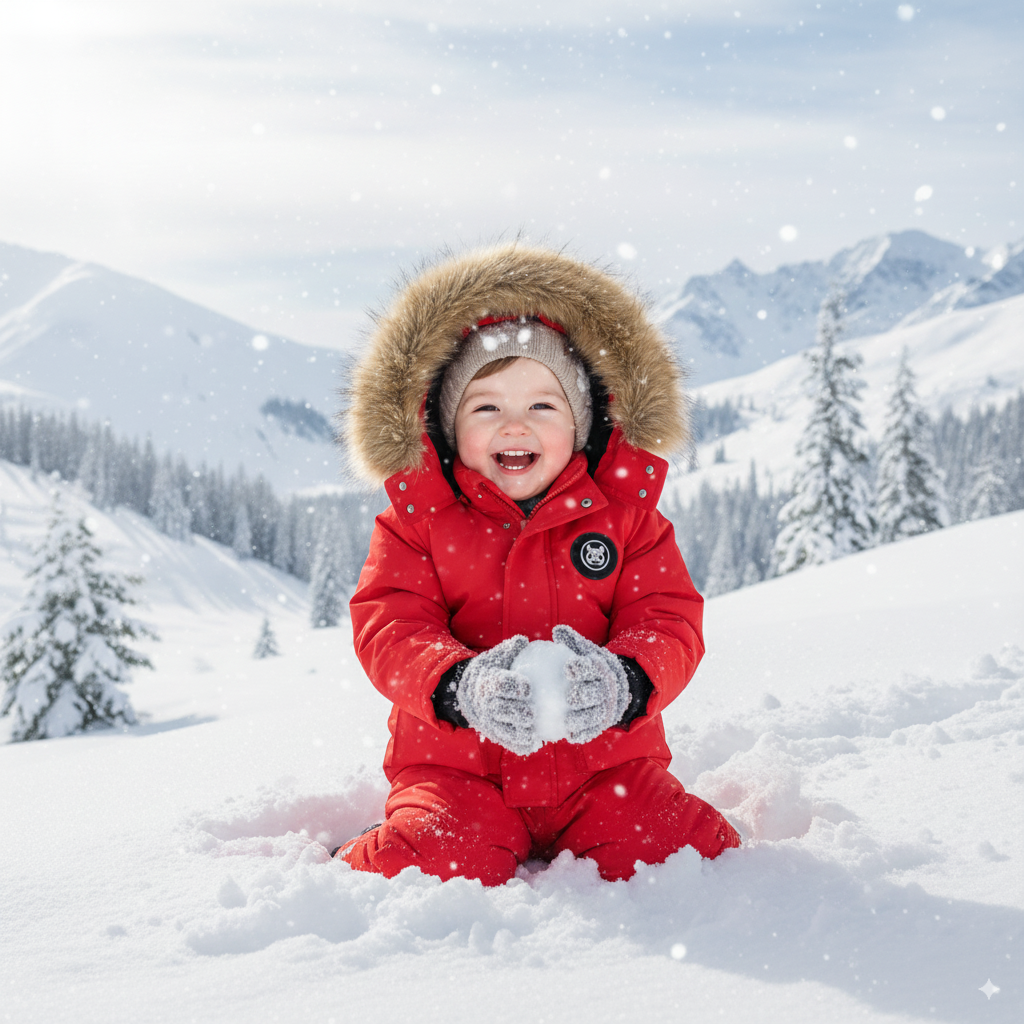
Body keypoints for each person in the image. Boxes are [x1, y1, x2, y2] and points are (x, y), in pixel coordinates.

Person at [334, 243, 739, 885]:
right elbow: (390, 626)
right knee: (436, 856)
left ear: (581, 424)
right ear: (446, 427)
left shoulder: (626, 517)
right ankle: (375, 848)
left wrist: (625, 680)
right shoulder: (420, 522)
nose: (514, 426)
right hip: (459, 770)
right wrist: (456, 684)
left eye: (543, 407)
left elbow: (668, 620)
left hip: (606, 769)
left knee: (679, 849)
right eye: (486, 407)